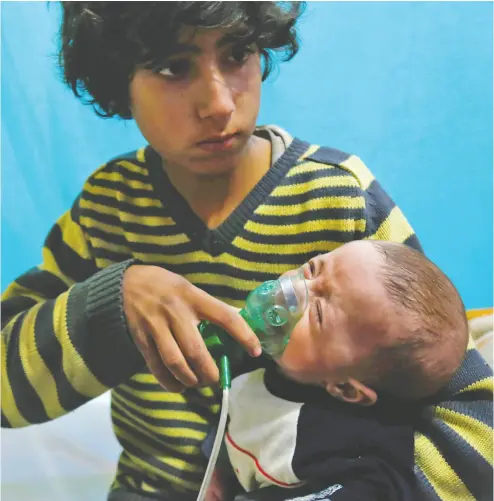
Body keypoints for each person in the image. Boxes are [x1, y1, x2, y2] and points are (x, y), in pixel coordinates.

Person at [1, 3, 491, 501]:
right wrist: (111, 308)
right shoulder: (108, 210)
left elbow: (466, 405)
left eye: (237, 54)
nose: (218, 104)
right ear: (116, 76)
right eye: (173, 66)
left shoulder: (340, 201)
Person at [204, 240, 470, 501]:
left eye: (318, 313)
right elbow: (236, 414)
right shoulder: (260, 354)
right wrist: (218, 470)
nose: (294, 289)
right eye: (312, 269)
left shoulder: (351, 449)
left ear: (346, 389)